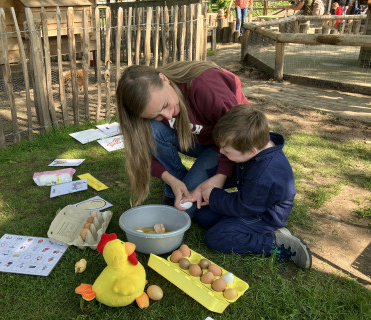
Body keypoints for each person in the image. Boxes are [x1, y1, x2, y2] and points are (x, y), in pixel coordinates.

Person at [116, 61, 249, 217]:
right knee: (152, 130)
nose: (168, 116)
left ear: (164, 79)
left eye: (165, 105)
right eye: (157, 116)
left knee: (188, 209)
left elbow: (240, 134)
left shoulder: (205, 85)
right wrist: (172, 181)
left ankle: (221, 178)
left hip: (231, 146)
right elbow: (143, 155)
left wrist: (220, 177)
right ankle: (177, 186)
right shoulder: (148, 108)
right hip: (199, 140)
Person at [193, 105, 312, 269]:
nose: (221, 151)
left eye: (227, 151)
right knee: (203, 216)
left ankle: (275, 242)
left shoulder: (263, 174)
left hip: (265, 215)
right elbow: (240, 177)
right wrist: (215, 185)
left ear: (251, 150)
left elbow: (244, 207)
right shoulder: (255, 146)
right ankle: (248, 229)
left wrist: (214, 195)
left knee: (216, 237)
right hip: (253, 202)